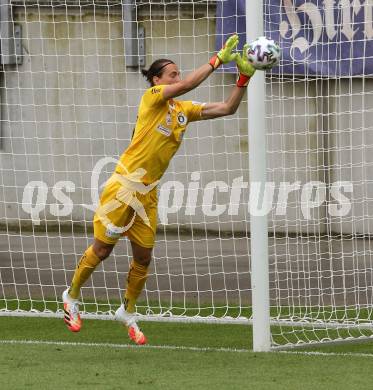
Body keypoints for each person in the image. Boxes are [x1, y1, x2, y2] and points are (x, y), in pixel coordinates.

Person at [62, 34, 256, 345]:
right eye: (172, 74)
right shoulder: (152, 97)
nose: (177, 77)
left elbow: (226, 109)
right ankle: (71, 297)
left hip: (148, 193)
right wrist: (217, 59)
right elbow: (187, 85)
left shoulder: (183, 111)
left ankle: (127, 311)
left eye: (178, 72)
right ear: (157, 80)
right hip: (124, 185)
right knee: (103, 250)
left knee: (143, 257)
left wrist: (243, 77)